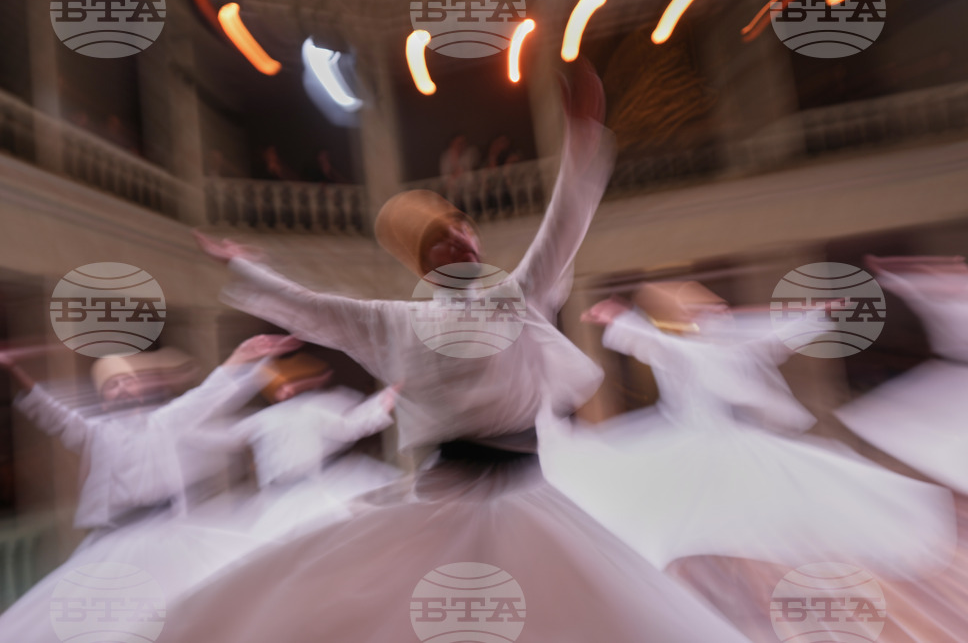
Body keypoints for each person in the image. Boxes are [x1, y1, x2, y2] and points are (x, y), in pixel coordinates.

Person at [149, 60, 752, 641]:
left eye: (463, 231)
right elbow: (316, 311)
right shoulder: (395, 322)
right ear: (424, 263)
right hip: (447, 497)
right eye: (441, 242)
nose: (460, 242)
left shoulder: (515, 297)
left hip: (526, 493)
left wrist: (581, 138)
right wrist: (250, 272)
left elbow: (563, 226)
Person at [546, 283, 955, 580]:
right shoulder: (674, 344)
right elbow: (656, 341)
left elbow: (768, 331)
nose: (710, 306)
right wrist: (623, 319)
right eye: (694, 303)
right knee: (682, 513)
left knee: (762, 510)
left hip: (729, 443)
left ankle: (727, 580)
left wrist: (817, 313)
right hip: (695, 442)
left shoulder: (723, 339)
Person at [0, 335, 300, 643]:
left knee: (199, 602)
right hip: (120, 537)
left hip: (171, 531)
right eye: (114, 384)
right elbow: (49, 411)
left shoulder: (166, 420)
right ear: (104, 396)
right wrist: (13, 368)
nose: (124, 387)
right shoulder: (93, 432)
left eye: (128, 380)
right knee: (117, 619)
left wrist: (242, 355)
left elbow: (208, 395)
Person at [190, 353, 403, 543]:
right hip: (278, 497)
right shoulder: (265, 418)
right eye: (279, 385)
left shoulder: (315, 407)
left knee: (318, 542)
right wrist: (189, 427)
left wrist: (383, 401)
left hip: (310, 491)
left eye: (287, 384)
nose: (284, 389)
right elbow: (228, 436)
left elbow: (350, 425)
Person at [836, 255, 968, 494]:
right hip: (955, 374)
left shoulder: (940, 290)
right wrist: (890, 265)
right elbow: (902, 272)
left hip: (955, 377)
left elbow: (904, 272)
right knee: (942, 442)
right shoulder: (936, 291)